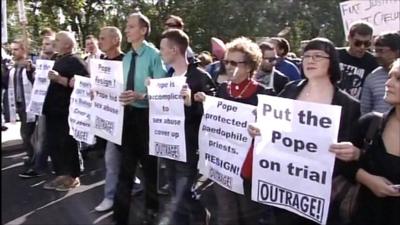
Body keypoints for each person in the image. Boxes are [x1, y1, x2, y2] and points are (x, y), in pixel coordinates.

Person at [249, 37, 362, 225]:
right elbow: (272, 126)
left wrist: (355, 153)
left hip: (321, 195)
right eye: (307, 56)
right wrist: (259, 128)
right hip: (284, 187)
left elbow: (355, 151)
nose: (310, 60)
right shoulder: (291, 89)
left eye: (318, 56)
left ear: (332, 62)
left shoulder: (348, 105)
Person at [194, 37, 275, 225]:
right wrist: (202, 102)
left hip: (248, 168)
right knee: (226, 212)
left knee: (249, 214)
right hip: (223, 163)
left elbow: (273, 131)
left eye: (234, 62)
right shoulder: (223, 89)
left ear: (249, 66)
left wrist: (262, 129)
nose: (228, 66)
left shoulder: (264, 94)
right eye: (226, 62)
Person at [113, 12, 167, 225]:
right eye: (127, 26)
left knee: (149, 170)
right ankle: (120, 218)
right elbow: (119, 86)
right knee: (124, 170)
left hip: (147, 119)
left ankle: (151, 214)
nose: (126, 29)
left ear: (143, 30)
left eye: (131, 26)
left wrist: (140, 95)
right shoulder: (126, 57)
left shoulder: (154, 55)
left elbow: (163, 90)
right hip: (127, 118)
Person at [159, 28, 216, 225]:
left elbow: (214, 114)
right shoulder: (167, 78)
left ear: (174, 50)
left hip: (190, 145)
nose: (161, 53)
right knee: (175, 191)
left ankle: (201, 219)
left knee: (186, 193)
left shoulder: (200, 77)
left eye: (163, 48)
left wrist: (192, 102)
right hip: (169, 143)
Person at [353, 58, 400, 225]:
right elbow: (340, 164)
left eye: (398, 79)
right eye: (390, 76)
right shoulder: (370, 124)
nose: (388, 83)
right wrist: (367, 179)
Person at [41, 31, 89, 191]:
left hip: (66, 112)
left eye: (58, 40)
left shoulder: (76, 61)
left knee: (68, 143)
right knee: (54, 143)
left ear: (68, 45)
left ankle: (73, 176)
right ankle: (61, 174)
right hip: (53, 111)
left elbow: (85, 83)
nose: (54, 42)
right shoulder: (57, 59)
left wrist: (60, 79)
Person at [18, 34, 58, 179]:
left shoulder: (59, 60)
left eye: (47, 44)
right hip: (43, 105)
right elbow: (36, 82)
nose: (44, 46)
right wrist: (30, 70)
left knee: (48, 137)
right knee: (40, 137)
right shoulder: (42, 61)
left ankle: (45, 166)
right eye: (43, 43)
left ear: (54, 45)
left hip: (56, 106)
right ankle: (39, 165)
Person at [3, 39, 36, 167]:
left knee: (27, 133)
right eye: (12, 50)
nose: (13, 52)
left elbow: (34, 81)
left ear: (23, 50)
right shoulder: (12, 67)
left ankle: (34, 158)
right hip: (19, 104)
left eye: (16, 49)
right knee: (26, 133)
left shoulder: (29, 65)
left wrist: (29, 70)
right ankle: (32, 156)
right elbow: (5, 83)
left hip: (30, 105)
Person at [337, 21, 379, 99]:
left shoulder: (373, 62)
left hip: (356, 108)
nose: (362, 47)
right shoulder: (335, 55)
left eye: (366, 43)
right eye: (358, 43)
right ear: (349, 38)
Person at [360, 32, 400, 115]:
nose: (376, 55)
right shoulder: (372, 77)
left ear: (396, 51)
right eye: (375, 51)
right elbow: (365, 111)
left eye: (381, 51)